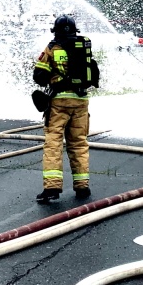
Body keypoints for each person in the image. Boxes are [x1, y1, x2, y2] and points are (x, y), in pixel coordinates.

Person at [32, 15, 99, 203]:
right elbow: (93, 73)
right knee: (79, 143)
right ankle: (82, 187)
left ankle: (52, 188)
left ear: (55, 30)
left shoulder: (53, 48)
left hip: (58, 103)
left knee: (53, 143)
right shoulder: (83, 47)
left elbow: (39, 76)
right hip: (80, 101)